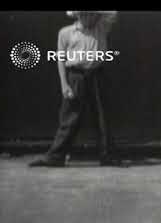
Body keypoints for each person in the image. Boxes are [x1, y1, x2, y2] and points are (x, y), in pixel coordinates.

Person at [29, 11, 121, 167]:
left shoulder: (102, 27)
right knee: (70, 118)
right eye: (86, 14)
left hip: (97, 76)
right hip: (75, 77)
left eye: (94, 14)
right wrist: (64, 85)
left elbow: (113, 12)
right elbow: (61, 59)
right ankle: (55, 157)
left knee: (102, 117)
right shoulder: (65, 33)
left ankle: (108, 157)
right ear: (78, 15)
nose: (90, 18)